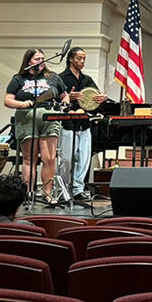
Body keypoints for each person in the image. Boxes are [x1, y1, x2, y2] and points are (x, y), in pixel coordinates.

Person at [4, 48, 69, 205]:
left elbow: (64, 95)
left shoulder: (52, 77)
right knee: (29, 159)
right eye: (36, 59)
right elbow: (8, 100)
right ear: (28, 62)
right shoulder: (19, 79)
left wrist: (65, 104)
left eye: (42, 58)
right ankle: (28, 193)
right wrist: (21, 103)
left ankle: (47, 193)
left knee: (49, 158)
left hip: (50, 117)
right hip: (26, 118)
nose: (41, 62)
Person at [58, 47, 106, 201]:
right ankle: (63, 189)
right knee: (66, 158)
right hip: (67, 123)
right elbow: (53, 99)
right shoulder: (60, 78)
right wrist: (68, 98)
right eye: (79, 58)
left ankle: (78, 188)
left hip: (84, 122)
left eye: (84, 58)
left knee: (84, 157)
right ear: (71, 59)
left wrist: (101, 98)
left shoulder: (87, 80)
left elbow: (96, 96)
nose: (82, 61)